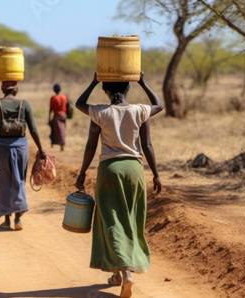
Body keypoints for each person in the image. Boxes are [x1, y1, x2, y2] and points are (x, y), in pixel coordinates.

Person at [75, 72, 163, 298]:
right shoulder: (139, 111)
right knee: (131, 219)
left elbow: (89, 143)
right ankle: (118, 273)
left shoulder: (100, 113)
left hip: (109, 171)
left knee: (111, 220)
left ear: (105, 90)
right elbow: (149, 139)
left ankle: (124, 271)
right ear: (127, 90)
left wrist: (83, 172)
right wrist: (155, 174)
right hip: (134, 170)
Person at [0, 81, 46, 231]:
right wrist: (41, 148)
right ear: (16, 89)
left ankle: (6, 219)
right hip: (21, 147)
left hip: (1, 148)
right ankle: (18, 218)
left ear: (2, 89)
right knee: (18, 180)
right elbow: (33, 129)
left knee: (3, 182)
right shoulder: (25, 104)